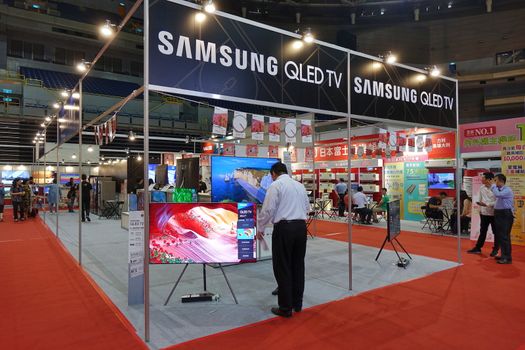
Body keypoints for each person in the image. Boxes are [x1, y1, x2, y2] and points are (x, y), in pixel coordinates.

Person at [257, 162, 310, 318]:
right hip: (301, 228)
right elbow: (307, 207)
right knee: (298, 266)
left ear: (274, 173)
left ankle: (285, 307)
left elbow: (268, 210)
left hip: (285, 229)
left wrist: (260, 228)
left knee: (283, 266)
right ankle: (297, 303)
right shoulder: (299, 186)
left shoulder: (276, 186)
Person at [468, 172, 498, 255]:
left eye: (483, 178)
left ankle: (495, 249)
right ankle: (478, 248)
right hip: (484, 213)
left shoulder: (496, 188)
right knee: (483, 231)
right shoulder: (482, 188)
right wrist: (480, 207)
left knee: (496, 232)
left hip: (494, 213)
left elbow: (498, 202)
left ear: (489, 179)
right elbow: (480, 199)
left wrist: (487, 204)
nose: (481, 179)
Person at [491, 174, 514, 264]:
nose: (494, 182)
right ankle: (504, 255)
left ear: (501, 181)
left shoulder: (507, 190)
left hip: (505, 215)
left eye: (495, 180)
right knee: (501, 236)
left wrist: (493, 185)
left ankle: (507, 258)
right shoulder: (499, 189)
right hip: (499, 214)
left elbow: (497, 194)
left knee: (504, 237)